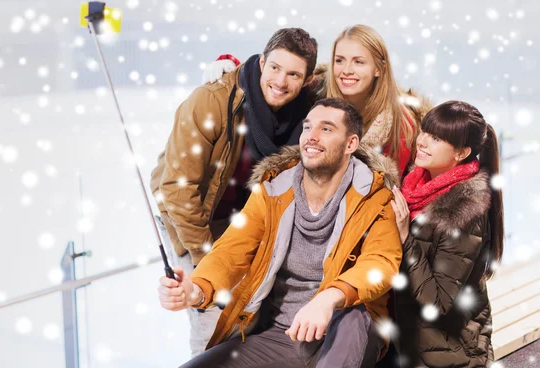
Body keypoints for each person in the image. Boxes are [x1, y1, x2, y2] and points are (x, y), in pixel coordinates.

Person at [158, 98, 403, 367]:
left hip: (344, 332)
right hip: (280, 337)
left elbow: (381, 263)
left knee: (352, 316)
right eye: (308, 127)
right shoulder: (272, 192)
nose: (311, 137)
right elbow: (229, 252)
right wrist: (198, 289)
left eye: (326, 129)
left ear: (350, 144)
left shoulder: (374, 196)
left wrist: (328, 298)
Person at [150, 27, 318, 356]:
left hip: (246, 224)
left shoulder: (302, 115)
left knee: (251, 316)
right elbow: (177, 190)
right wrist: (206, 260)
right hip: (192, 219)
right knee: (212, 317)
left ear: (307, 80)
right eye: (275, 68)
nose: (281, 81)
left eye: (294, 74)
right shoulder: (211, 101)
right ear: (262, 61)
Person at [205, 24, 432, 178]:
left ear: (379, 69)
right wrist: (232, 70)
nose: (347, 71)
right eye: (340, 60)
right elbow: (273, 77)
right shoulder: (315, 93)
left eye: (359, 62)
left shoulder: (401, 125)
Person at [390, 101, 504, 367]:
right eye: (425, 132)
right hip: (414, 339)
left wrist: (406, 237)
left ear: (461, 152)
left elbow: (437, 302)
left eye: (437, 138)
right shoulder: (415, 184)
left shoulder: (464, 213)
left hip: (451, 352)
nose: (423, 142)